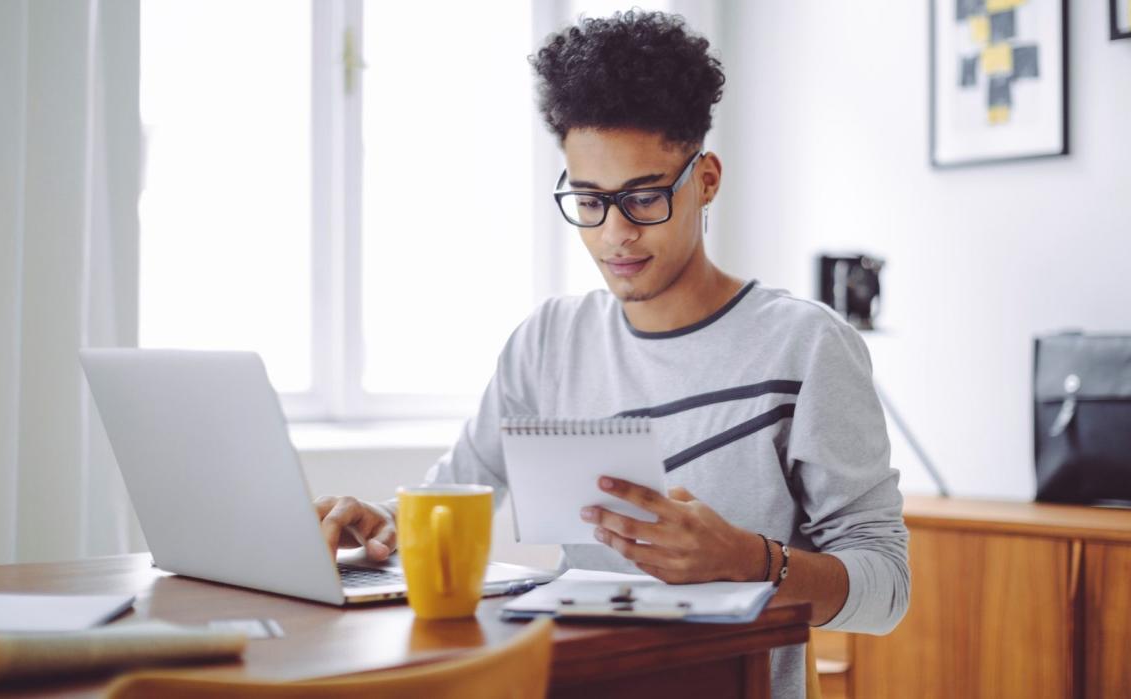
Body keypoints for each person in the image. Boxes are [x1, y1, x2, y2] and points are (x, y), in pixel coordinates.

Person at [313, 10, 908, 698]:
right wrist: (376, 526)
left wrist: (749, 559)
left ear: (706, 179)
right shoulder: (547, 343)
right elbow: (451, 502)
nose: (615, 234)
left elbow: (887, 587)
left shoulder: (805, 346)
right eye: (589, 200)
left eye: (645, 196)